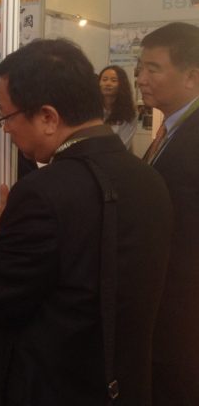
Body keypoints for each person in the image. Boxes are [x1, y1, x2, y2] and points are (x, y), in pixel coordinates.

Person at [0, 38, 172, 405]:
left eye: (7, 116)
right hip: (128, 380)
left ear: (48, 117)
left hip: (58, 384)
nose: (5, 129)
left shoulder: (42, 192)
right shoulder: (149, 177)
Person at [136, 22, 199, 406]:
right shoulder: (172, 127)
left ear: (192, 76)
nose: (141, 79)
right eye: (139, 68)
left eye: (153, 69)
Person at [99, 65, 137, 149]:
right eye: (104, 80)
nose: (108, 83)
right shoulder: (90, 109)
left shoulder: (129, 113)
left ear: (122, 85)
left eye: (113, 80)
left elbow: (122, 146)